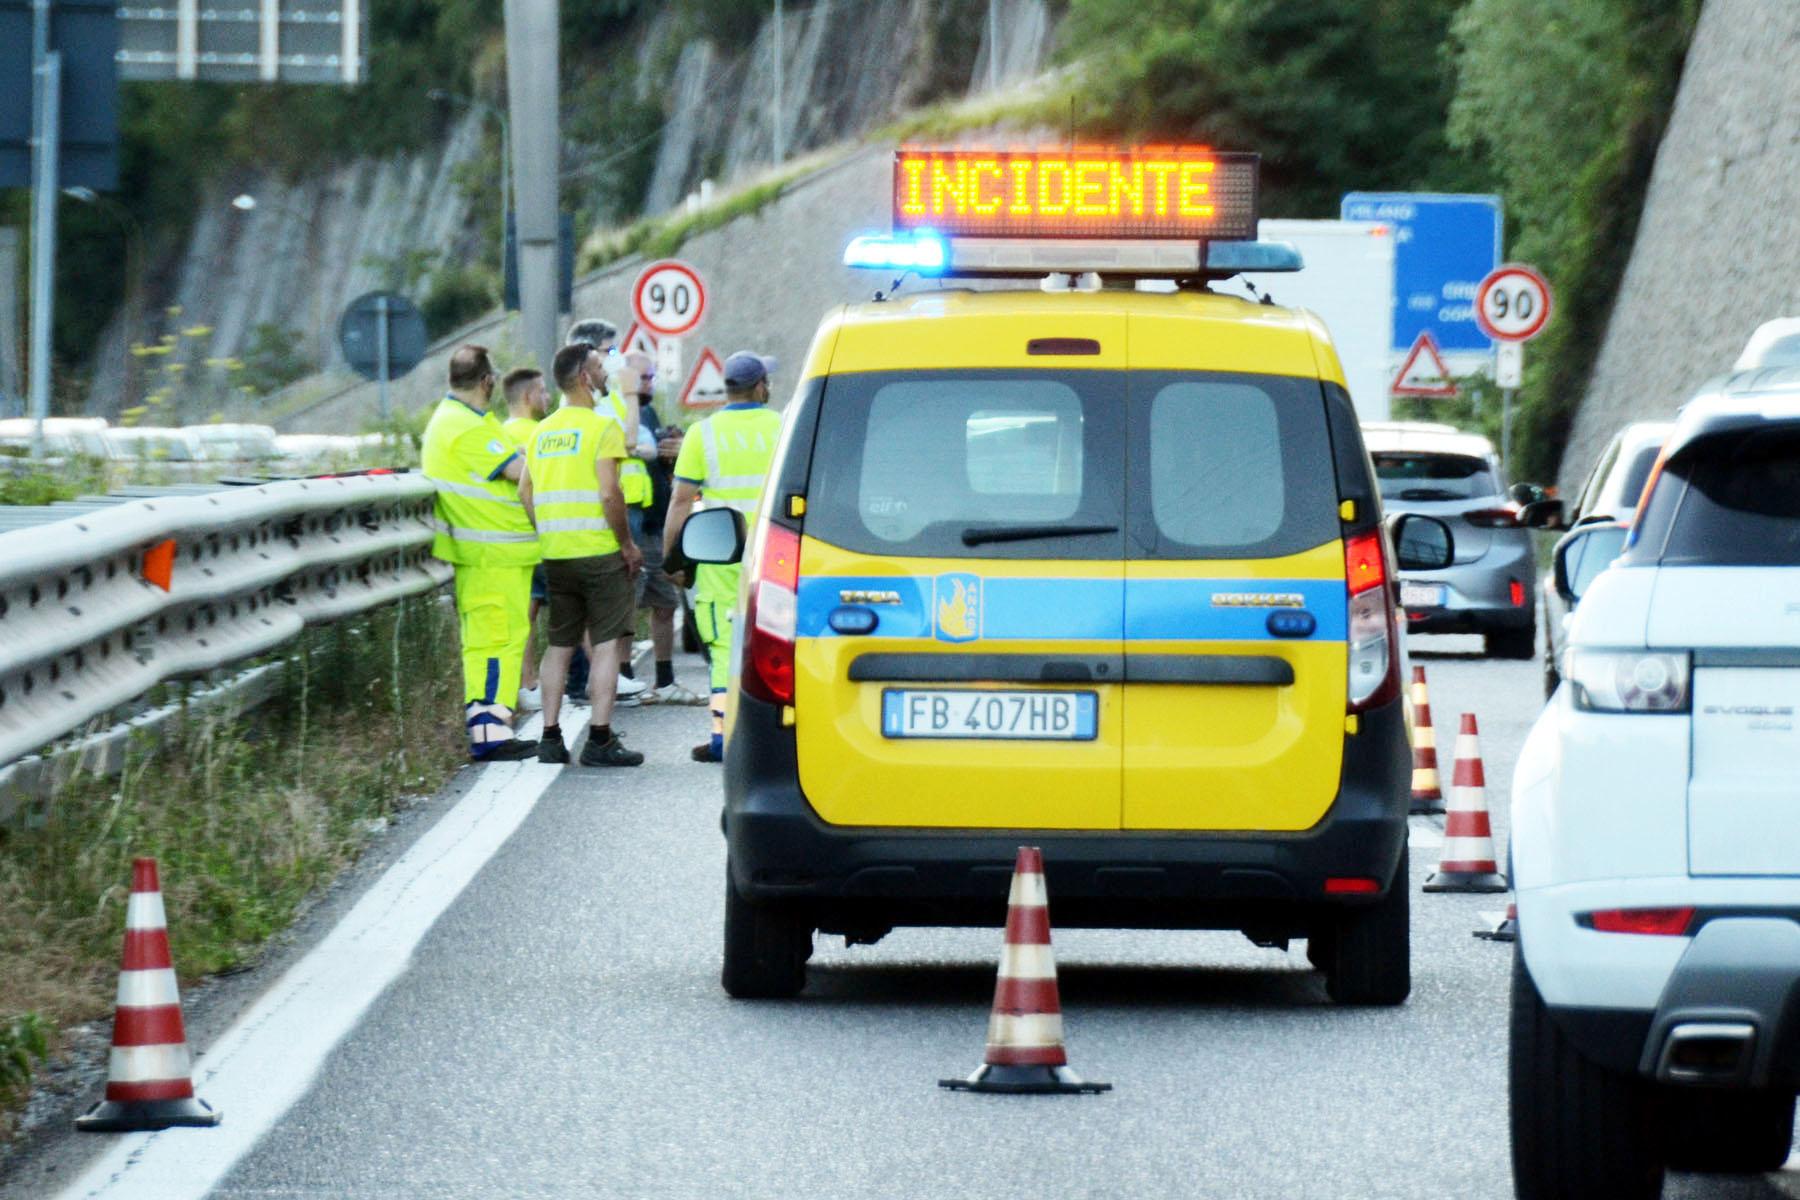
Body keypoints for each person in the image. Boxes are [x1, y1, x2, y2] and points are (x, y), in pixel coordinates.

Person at [526, 342, 645, 767]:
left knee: (559, 644)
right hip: (598, 552)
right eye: (598, 366)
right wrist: (627, 546)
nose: (604, 373)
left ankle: (550, 737)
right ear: (582, 377)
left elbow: (526, 491)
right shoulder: (601, 427)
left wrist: (549, 531)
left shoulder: (541, 431)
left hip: (556, 554)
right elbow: (610, 493)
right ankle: (599, 739)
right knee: (607, 645)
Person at [663, 350, 784, 763]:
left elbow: (680, 502)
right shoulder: (785, 425)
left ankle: (722, 738)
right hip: (776, 553)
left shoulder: (703, 434)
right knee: (778, 644)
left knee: (721, 648)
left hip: (718, 555)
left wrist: (673, 560)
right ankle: (773, 740)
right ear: (760, 386)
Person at [420, 345, 539, 761]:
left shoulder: (464, 421)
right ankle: (489, 732)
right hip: (490, 553)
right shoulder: (464, 426)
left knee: (499, 638)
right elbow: (519, 471)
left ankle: (494, 725)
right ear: (488, 381)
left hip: (494, 554)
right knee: (494, 640)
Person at [566, 318, 650, 709]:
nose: (614, 361)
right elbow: (628, 440)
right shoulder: (597, 400)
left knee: (597, 604)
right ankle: (599, 679)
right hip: (599, 510)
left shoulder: (598, 397)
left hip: (605, 507)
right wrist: (631, 395)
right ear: (588, 356)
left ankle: (599, 677)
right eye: (608, 351)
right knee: (601, 604)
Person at [622, 351, 704, 706]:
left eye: (653, 377)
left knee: (665, 602)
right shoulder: (618, 411)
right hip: (633, 519)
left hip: (655, 521)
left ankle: (665, 679)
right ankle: (623, 677)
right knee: (628, 604)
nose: (650, 384)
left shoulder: (649, 411)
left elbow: (653, 451)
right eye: (644, 378)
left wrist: (672, 451)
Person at [500, 367, 551, 710]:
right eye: (544, 392)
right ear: (529, 397)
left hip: (512, 533)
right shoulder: (539, 432)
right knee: (537, 609)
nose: (549, 398)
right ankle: (532, 682)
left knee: (526, 611)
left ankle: (526, 681)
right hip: (538, 532)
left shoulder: (500, 432)